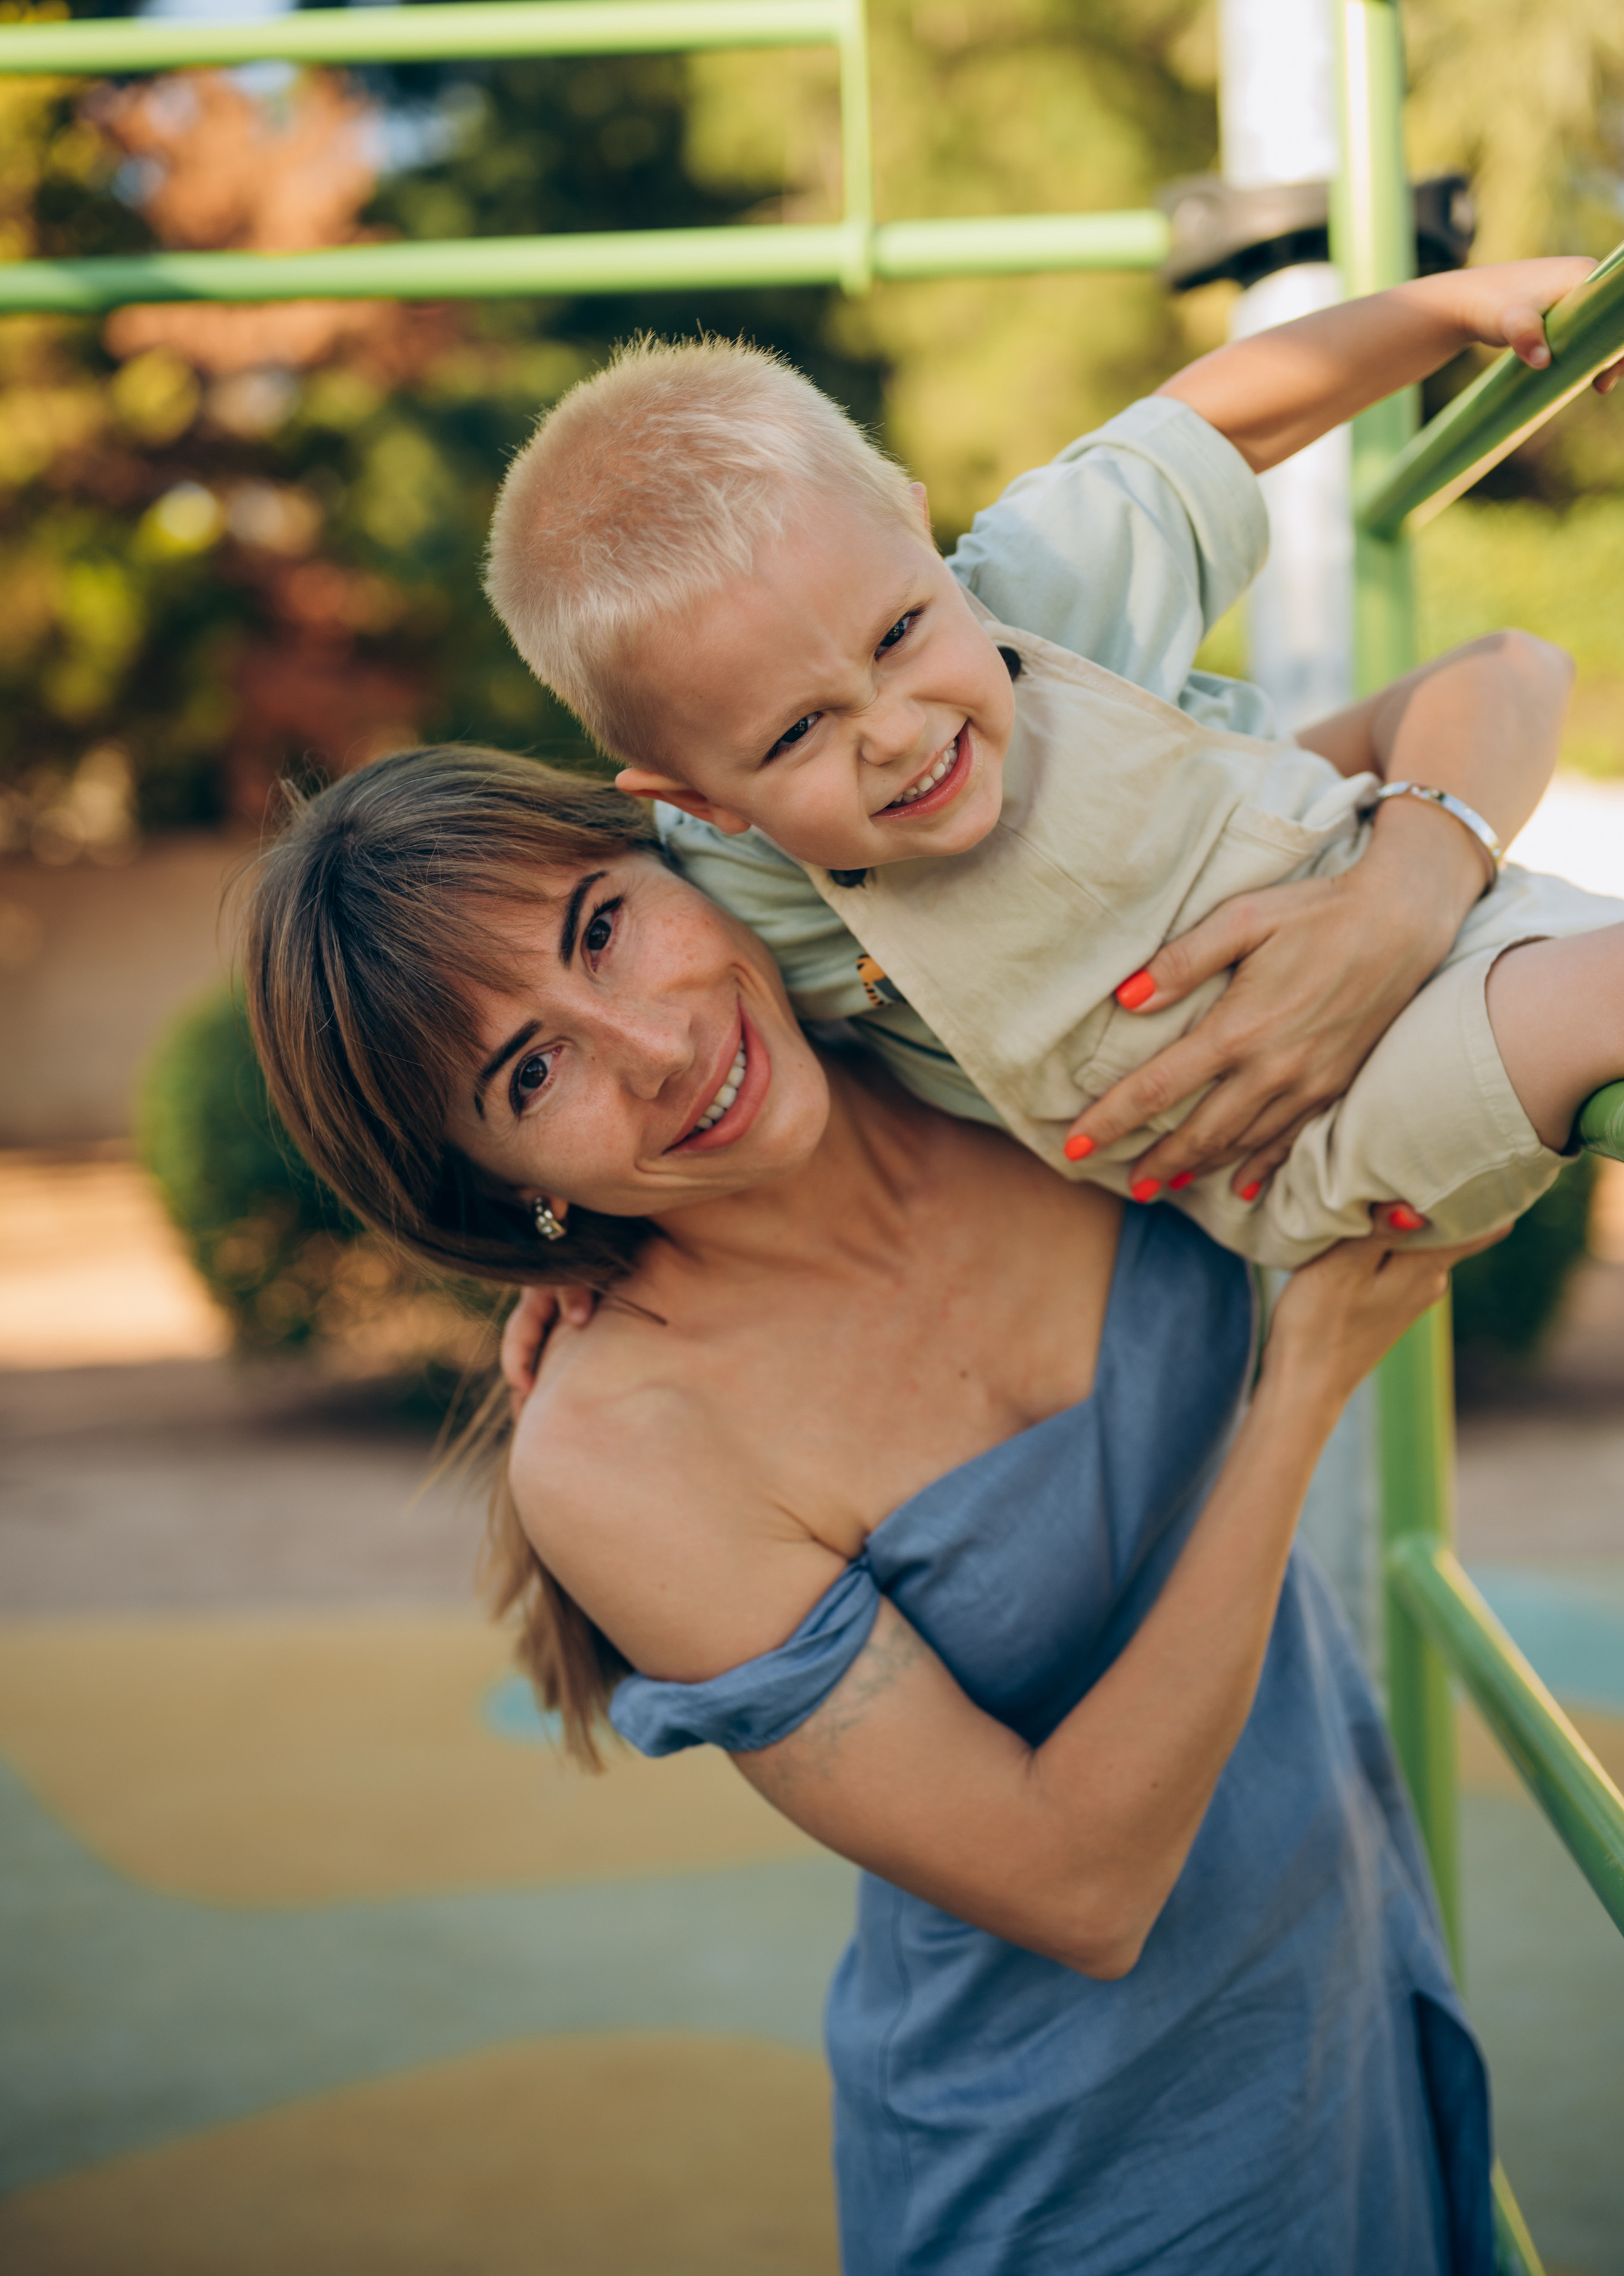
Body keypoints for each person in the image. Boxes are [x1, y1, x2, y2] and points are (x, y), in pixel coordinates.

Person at [243, 744, 1505, 2273]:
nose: (646, 1045)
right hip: (1069, 2176)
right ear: (488, 1183)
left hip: (1341, 1989)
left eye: (599, 926)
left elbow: (1499, 684)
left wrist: (1413, 869)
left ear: (681, 854)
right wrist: (1299, 1393)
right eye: (529, 1072)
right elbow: (1078, 1886)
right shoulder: (624, 1451)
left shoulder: (973, 1008)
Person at [483, 268, 1624, 1269]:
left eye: (898, 634)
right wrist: (572, 1279)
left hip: (1427, 923)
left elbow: (1209, 421)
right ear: (703, 801)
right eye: (797, 734)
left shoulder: (1036, 593)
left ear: (921, 533)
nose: (891, 730)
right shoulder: (742, 903)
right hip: (1295, 1147)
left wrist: (1460, 306)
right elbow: (646, 1094)